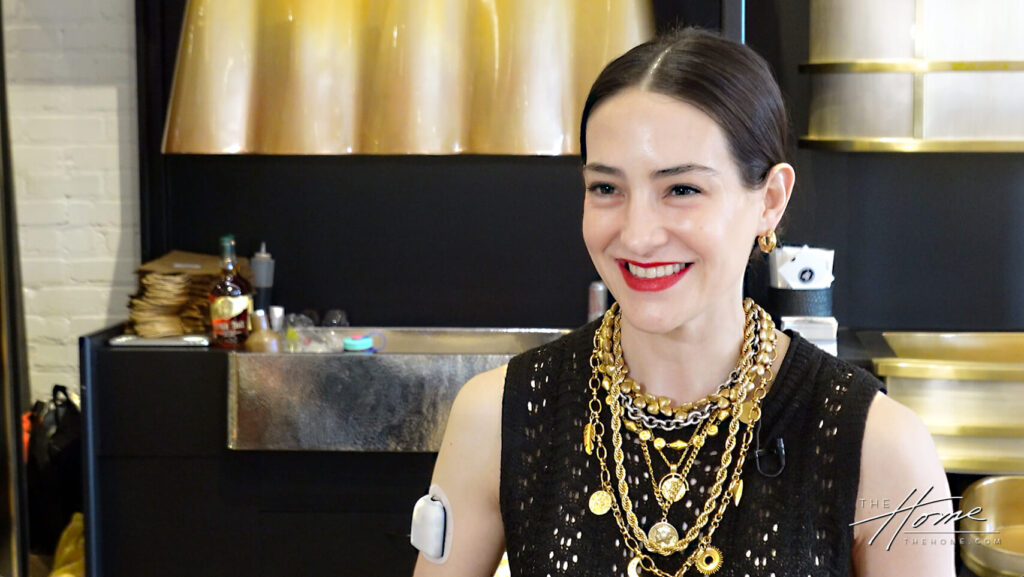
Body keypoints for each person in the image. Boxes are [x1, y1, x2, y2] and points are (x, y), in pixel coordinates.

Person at [413, 28, 954, 577]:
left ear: (769, 200)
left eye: (682, 189)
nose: (638, 235)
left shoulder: (883, 448)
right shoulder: (498, 417)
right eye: (606, 188)